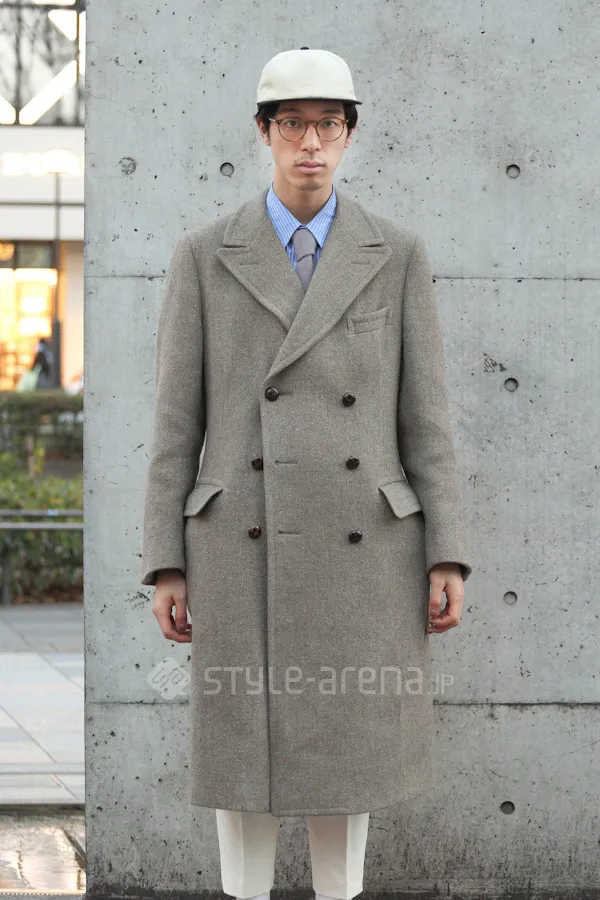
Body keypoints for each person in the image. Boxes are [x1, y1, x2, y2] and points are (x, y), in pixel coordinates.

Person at [140, 48, 473, 900]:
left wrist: (448, 553)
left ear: (350, 134)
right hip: (239, 539)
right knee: (242, 757)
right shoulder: (204, 254)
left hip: (367, 546)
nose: (311, 143)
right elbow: (175, 423)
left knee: (348, 760)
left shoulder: (396, 253)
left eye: (329, 125)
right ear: (264, 132)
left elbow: (427, 418)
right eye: (293, 124)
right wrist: (165, 562)